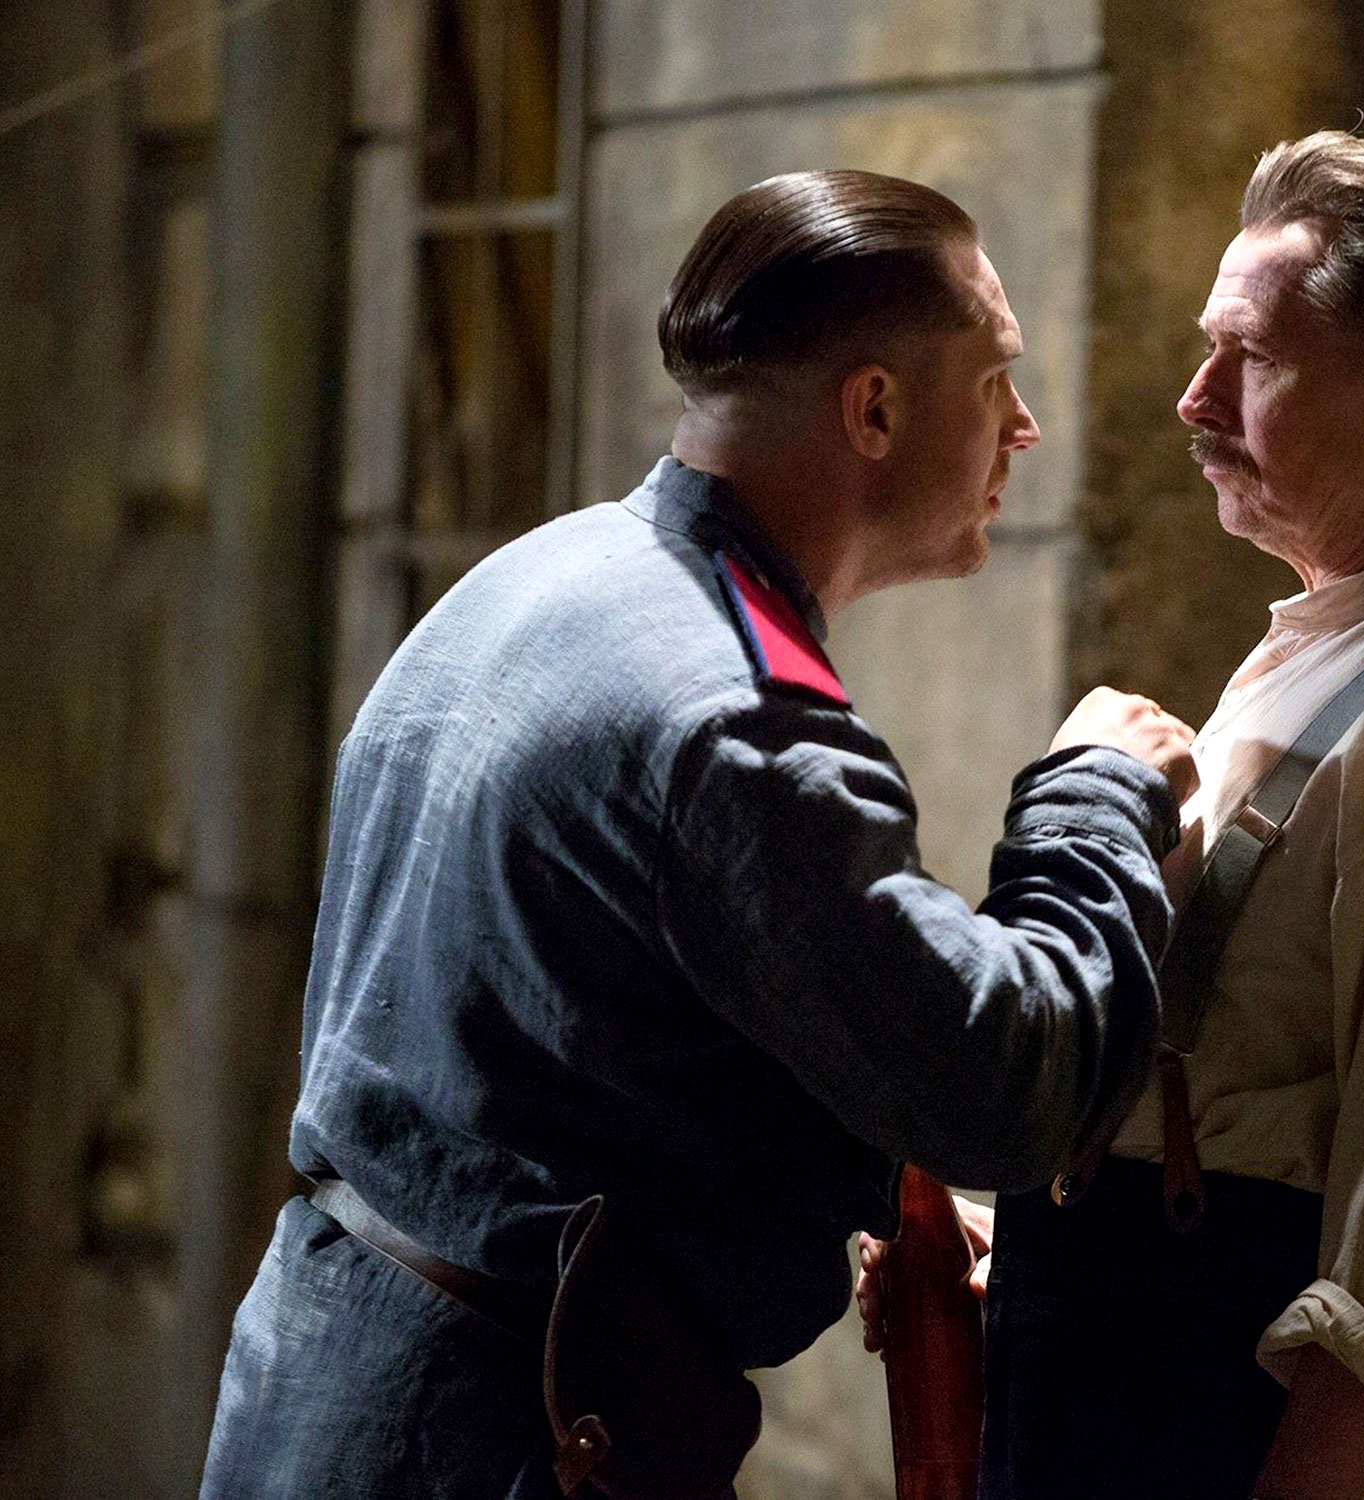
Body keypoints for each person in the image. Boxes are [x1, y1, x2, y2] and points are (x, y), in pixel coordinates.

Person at [198, 169, 1199, 1500]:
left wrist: (839, 1172)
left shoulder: (536, 582)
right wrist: (1097, 797)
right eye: (994, 378)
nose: (1025, 425)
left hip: (332, 1386)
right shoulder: (733, 722)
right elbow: (1001, 1090)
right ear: (875, 408)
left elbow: (589, 1032)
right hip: (506, 1440)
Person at [860, 131, 1364, 1500]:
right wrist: (1019, 1251)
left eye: (1252, 357)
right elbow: (1238, 1092)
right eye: (1206, 349)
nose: (1194, 398)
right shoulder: (1320, 652)